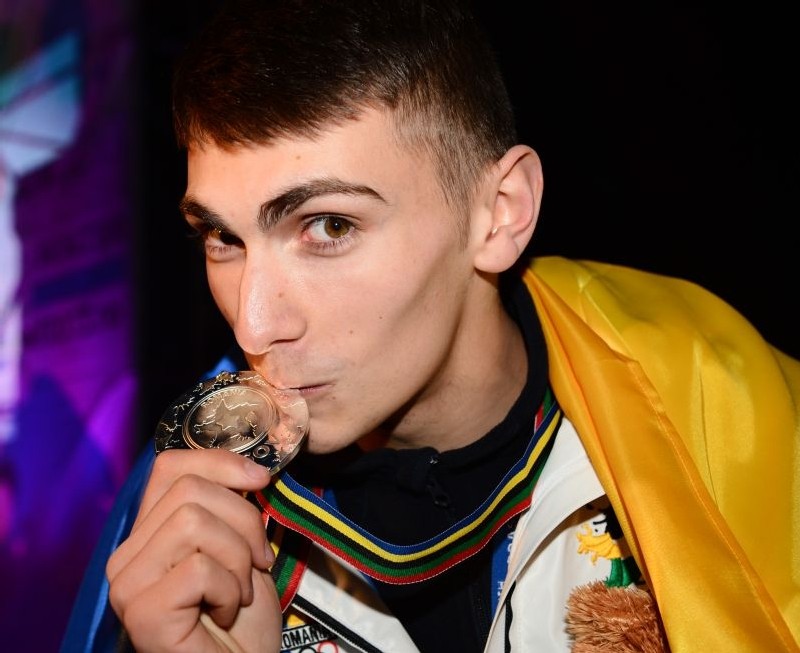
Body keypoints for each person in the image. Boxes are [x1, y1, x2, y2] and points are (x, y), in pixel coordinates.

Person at [62, 0, 799, 651]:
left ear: (500, 213)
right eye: (223, 238)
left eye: (329, 225)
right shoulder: (178, 518)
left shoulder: (727, 412)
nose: (254, 325)